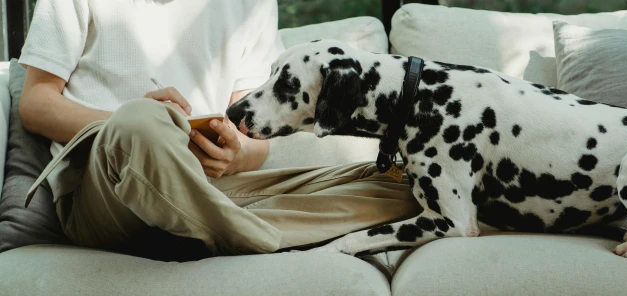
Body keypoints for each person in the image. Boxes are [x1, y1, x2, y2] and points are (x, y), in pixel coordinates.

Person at [19, 0, 420, 258]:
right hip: (105, 192)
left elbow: (253, 137)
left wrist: (234, 153)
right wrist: (138, 122)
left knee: (398, 184)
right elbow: (35, 103)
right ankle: (246, 236)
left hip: (205, 185)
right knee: (143, 120)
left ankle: (199, 230)